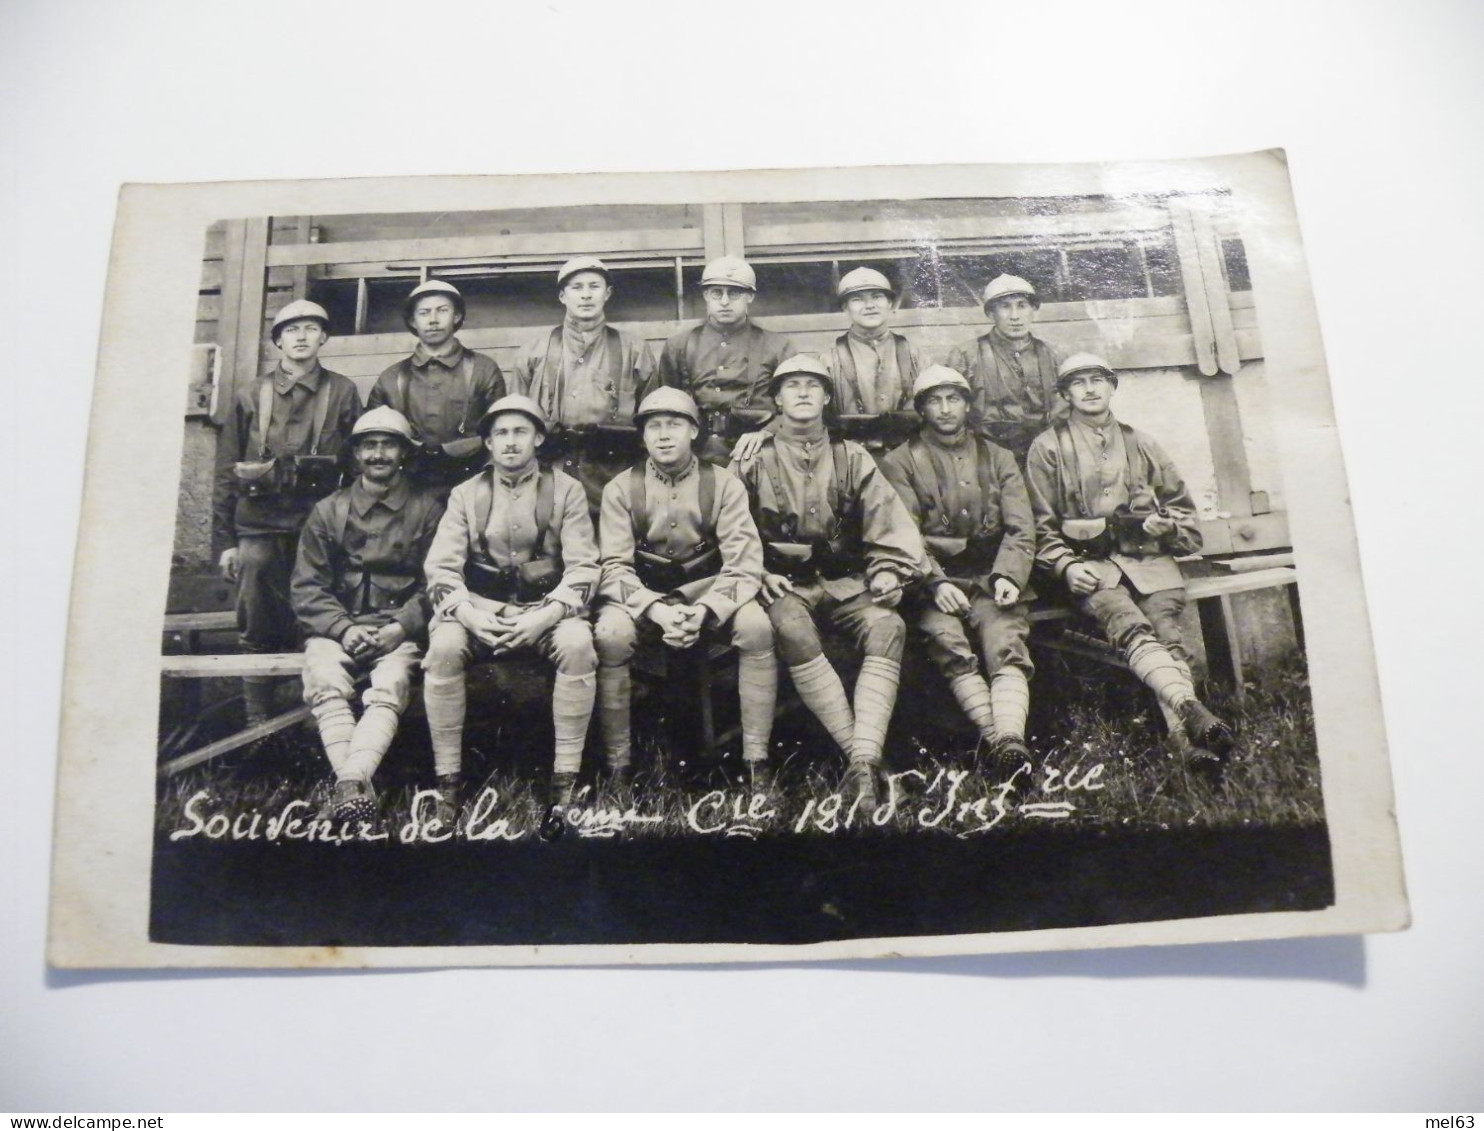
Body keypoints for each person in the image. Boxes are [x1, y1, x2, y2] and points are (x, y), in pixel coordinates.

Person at [728, 355, 926, 807]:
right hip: (782, 584)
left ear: (827, 397)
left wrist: (886, 570)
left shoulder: (851, 456)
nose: (802, 393)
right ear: (776, 398)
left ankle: (863, 757)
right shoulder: (750, 456)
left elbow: (888, 523)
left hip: (845, 581)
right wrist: (756, 571)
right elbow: (728, 526)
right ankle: (860, 760)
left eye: (812, 386)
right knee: (791, 629)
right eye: (791, 385)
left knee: (888, 626)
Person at [1025, 353, 1234, 770]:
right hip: (1090, 568)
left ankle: (1186, 738)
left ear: (1112, 386)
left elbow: (1185, 516)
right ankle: (1189, 721)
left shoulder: (1142, 443)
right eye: (1078, 383)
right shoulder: (1047, 447)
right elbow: (1036, 525)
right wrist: (1066, 566)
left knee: (1167, 632)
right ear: (1065, 394)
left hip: (1151, 565)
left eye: (1097, 380)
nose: (1089, 389)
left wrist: (1167, 528)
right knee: (1126, 620)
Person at [421, 395, 600, 830]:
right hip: (480, 612)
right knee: (443, 645)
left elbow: (583, 567)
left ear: (538, 438)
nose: (510, 442)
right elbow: (441, 568)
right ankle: (449, 783)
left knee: (578, 644)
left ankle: (566, 781)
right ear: (487, 442)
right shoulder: (465, 495)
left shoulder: (567, 490)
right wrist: (470, 616)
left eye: (521, 431)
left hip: (546, 610)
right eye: (500, 433)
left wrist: (545, 616)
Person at [593, 387, 776, 791]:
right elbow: (613, 567)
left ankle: (756, 762)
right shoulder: (620, 489)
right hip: (645, 597)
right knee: (610, 634)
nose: (663, 435)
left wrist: (706, 610)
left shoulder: (724, 484)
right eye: (653, 426)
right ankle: (619, 765)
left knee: (757, 627)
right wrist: (654, 609)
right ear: (641, 436)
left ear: (694, 430)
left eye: (674, 424)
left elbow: (744, 562)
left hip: (710, 593)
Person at [290, 407, 445, 822]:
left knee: (391, 683)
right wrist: (342, 628)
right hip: (337, 629)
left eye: (388, 444)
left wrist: (402, 626)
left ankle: (348, 781)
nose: (378, 454)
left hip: (395, 630)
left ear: (404, 453)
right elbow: (307, 585)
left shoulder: (427, 510)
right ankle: (354, 783)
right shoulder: (328, 510)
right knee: (323, 678)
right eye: (369, 445)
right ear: (356, 454)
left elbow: (440, 581)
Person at [212, 298, 361, 727]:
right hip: (257, 527)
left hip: (320, 529)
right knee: (257, 604)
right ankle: (258, 718)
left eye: (311, 328)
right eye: (291, 330)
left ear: (324, 338)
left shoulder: (343, 392)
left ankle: (320, 715)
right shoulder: (249, 395)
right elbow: (225, 472)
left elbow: (356, 470)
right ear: (278, 341)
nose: (301, 337)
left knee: (321, 610)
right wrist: (225, 544)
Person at [881, 367, 1036, 766]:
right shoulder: (900, 462)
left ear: (968, 404)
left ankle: (1010, 737)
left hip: (990, 576)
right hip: (935, 580)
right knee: (945, 637)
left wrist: (1008, 575)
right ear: (922, 409)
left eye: (954, 398)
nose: (946, 409)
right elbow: (903, 533)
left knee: (1004, 637)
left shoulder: (999, 457)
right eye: (935, 400)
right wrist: (934, 583)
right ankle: (999, 740)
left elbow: (1022, 527)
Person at [510, 256, 658, 514]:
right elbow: (514, 419)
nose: (586, 295)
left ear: (607, 293)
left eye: (594, 286)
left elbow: (652, 419)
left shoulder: (634, 349)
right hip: (548, 470)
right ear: (562, 296)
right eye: (577, 288)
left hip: (613, 473)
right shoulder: (533, 351)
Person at [729, 266, 922, 464]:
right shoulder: (827, 362)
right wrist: (764, 433)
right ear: (845, 308)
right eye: (857, 299)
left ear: (890, 303)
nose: (869, 305)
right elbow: (802, 412)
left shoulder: (915, 356)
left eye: (877, 297)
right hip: (848, 460)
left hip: (908, 460)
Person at [366, 279, 506, 496]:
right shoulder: (391, 378)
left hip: (471, 485)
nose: (433, 320)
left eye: (442, 311)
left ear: (457, 316)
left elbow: (500, 432)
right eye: (424, 313)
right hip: (407, 490)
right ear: (412, 321)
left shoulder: (483, 369)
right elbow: (373, 441)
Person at [657, 256, 794, 459]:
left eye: (734, 293)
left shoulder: (778, 347)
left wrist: (767, 432)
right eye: (716, 293)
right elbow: (664, 408)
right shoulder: (679, 346)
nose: (724, 302)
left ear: (750, 296)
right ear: (705, 295)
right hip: (694, 454)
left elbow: (794, 408)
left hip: (759, 453)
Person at [944, 274, 1065, 463]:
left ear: (1033, 310)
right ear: (991, 314)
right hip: (985, 455)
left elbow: (1067, 409)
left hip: (1045, 454)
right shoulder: (966, 355)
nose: (1014, 316)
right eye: (1005, 307)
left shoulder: (1053, 354)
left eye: (1022, 305)